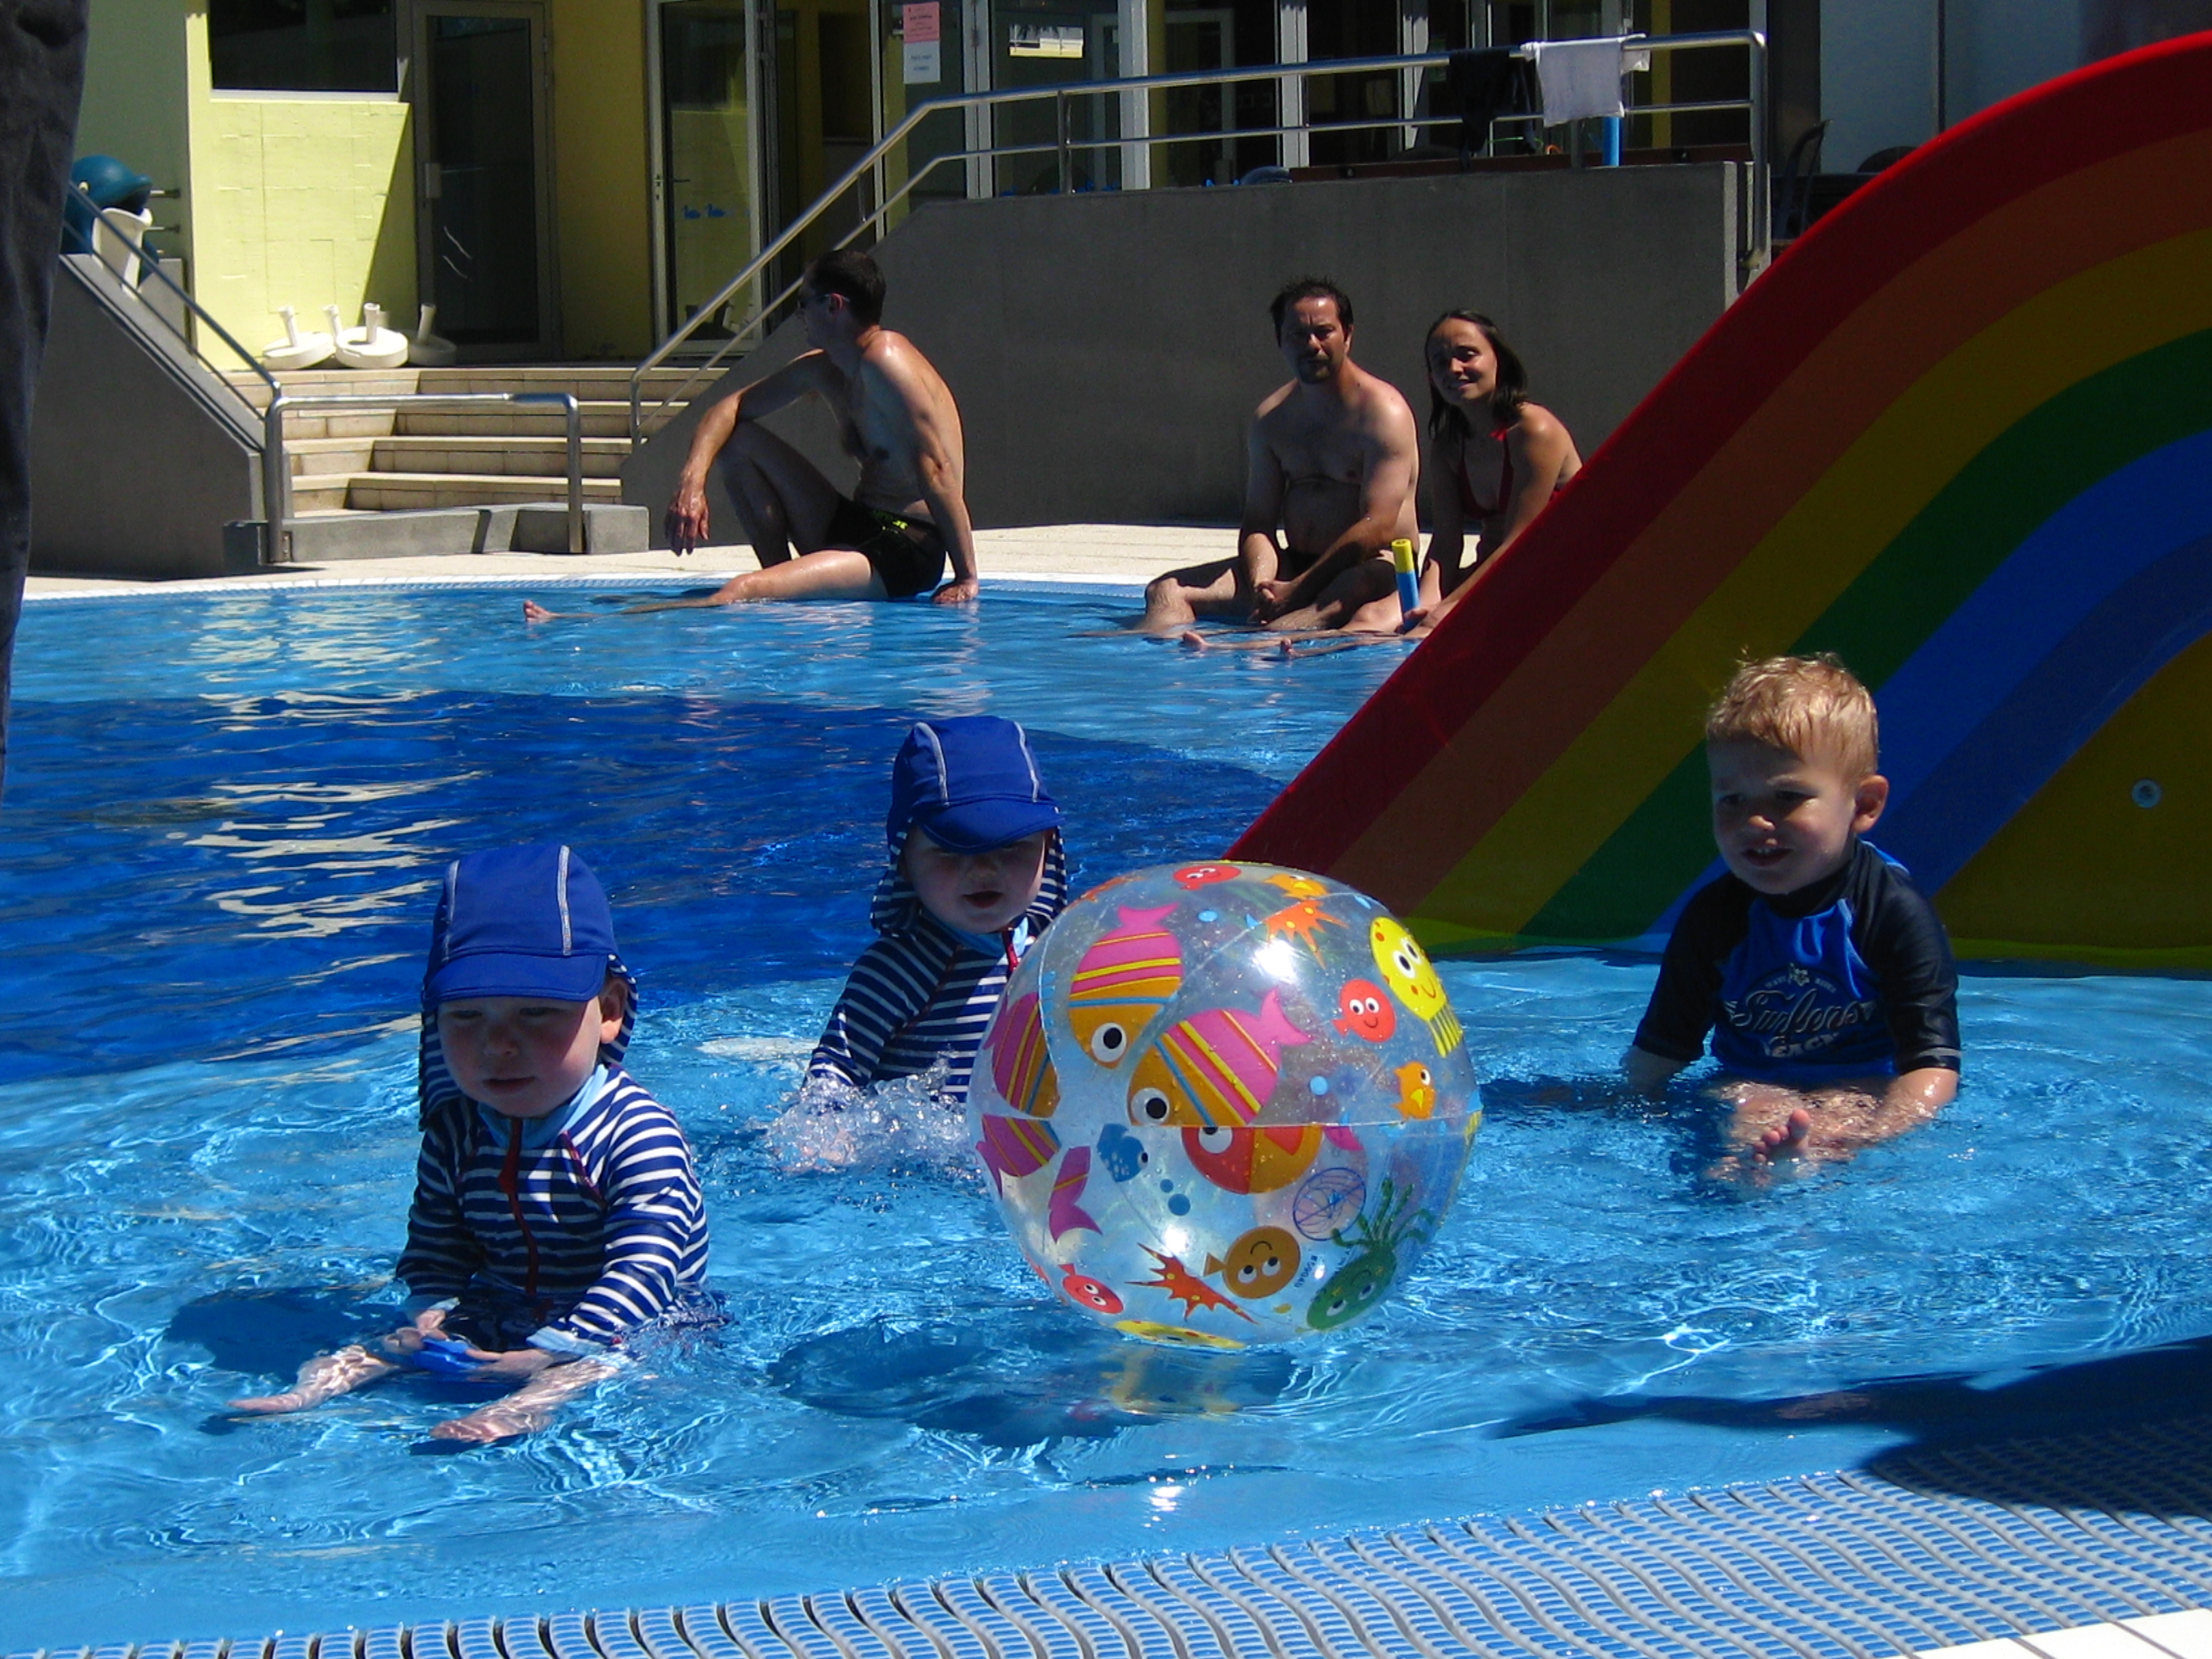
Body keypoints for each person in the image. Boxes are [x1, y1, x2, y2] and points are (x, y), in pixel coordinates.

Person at [230, 844, 714, 1442]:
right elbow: (437, 1244)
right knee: (390, 1344)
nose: (498, 1045)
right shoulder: (458, 1130)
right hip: (506, 1304)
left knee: (607, 1360)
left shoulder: (636, 1133)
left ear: (609, 1010)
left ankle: (526, 1407)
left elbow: (645, 1269)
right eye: (465, 1017)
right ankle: (317, 1385)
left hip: (640, 1315)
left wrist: (552, 1351)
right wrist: (430, 1314)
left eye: (535, 1013)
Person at [1623, 655, 1961, 1174]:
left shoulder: (1892, 910)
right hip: (1754, 1084)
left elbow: (1931, 1066)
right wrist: (1626, 1104)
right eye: (1732, 800)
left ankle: (1790, 1164)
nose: (1756, 820)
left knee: (1847, 1109)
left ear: (1864, 805)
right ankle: (1763, 1171)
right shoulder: (1715, 918)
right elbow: (1661, 1050)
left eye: (1787, 796)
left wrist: (1877, 1132)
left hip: (1863, 1084)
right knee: (1748, 1106)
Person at [521, 248, 976, 622]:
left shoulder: (886, 359)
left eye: (804, 302)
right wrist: (692, 483)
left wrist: (965, 576)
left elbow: (937, 470)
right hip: (858, 523)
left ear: (834, 306)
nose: (799, 315)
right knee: (736, 440)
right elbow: (729, 408)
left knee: (741, 589)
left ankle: (583, 621)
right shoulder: (827, 368)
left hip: (906, 545)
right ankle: (780, 582)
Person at [1137, 278, 1419, 637]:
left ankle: (1252, 645)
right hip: (1294, 565)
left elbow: (1378, 526)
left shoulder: (1383, 413)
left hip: (1374, 568)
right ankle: (1146, 655)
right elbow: (1259, 521)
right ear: (1280, 341)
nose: (1311, 345)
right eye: (1298, 335)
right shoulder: (1272, 419)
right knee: (1165, 591)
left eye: (1324, 332)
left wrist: (1297, 590)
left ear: (1347, 335)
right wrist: (1263, 586)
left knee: (1343, 591)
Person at [809, 716, 1069, 1103]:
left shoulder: (1060, 956)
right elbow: (832, 1076)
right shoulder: (899, 970)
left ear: (1048, 848)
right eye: (950, 850)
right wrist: (832, 1129)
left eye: (1011, 845)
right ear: (905, 863)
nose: (983, 869)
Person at [1399, 309, 1580, 636]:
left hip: (1562, 578)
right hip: (1493, 577)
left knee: (1434, 630)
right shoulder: (1448, 446)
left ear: (1500, 361)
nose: (1453, 369)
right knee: (1378, 617)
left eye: (1467, 355)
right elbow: (1446, 545)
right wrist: (1423, 607)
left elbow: (1518, 545)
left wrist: (1444, 612)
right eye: (1440, 362)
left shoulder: (1534, 432)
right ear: (1431, 379)